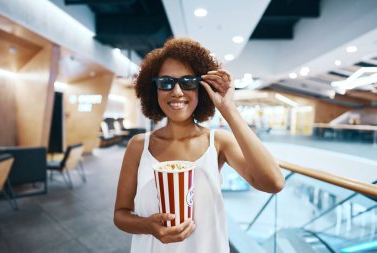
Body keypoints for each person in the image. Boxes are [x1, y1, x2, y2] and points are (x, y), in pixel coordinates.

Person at [114, 38, 285, 253]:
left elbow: (274, 183)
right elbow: (121, 214)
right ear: (154, 89)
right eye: (166, 82)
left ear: (202, 89)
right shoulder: (139, 146)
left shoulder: (218, 142)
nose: (177, 91)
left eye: (188, 82)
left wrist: (229, 110)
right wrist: (148, 226)